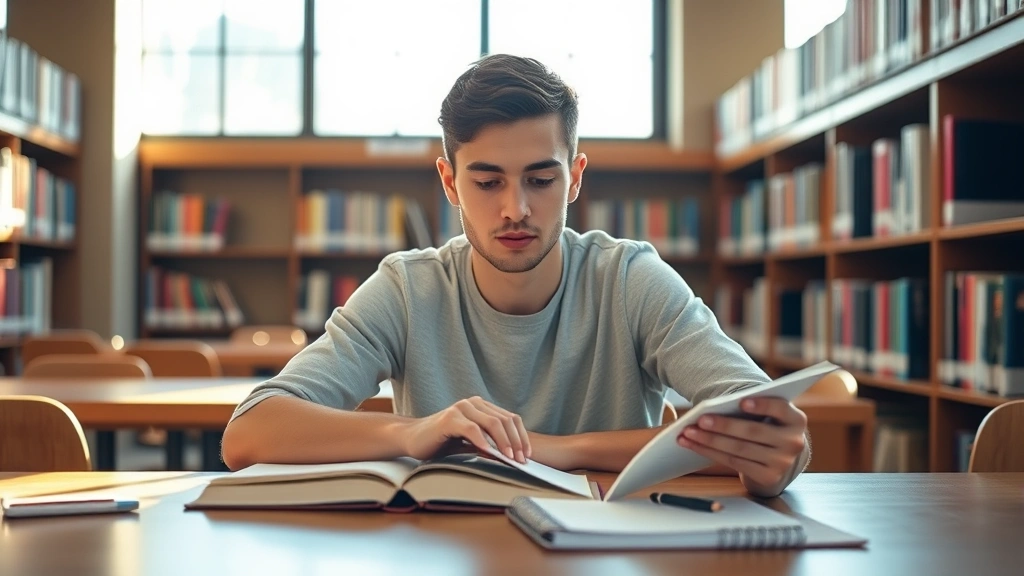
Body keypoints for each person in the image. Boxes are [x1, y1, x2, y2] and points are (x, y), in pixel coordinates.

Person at [221, 54, 810, 498]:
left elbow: (753, 419)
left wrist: (551, 451)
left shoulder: (630, 279)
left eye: (540, 179)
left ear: (575, 177)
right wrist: (413, 433)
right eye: (486, 182)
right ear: (450, 183)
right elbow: (248, 433)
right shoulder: (408, 288)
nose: (515, 209)